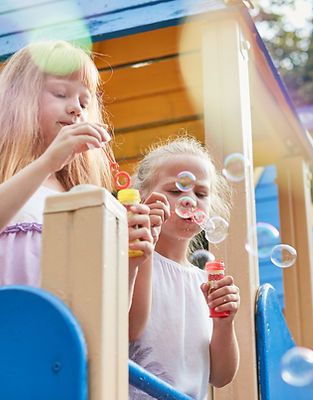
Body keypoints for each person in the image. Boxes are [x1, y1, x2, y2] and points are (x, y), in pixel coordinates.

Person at [0, 40, 165, 338]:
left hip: (59, 361)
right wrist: (47, 162)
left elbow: (119, 326)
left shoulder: (77, 198)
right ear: (17, 98)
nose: (76, 108)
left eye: (85, 102)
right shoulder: (7, 174)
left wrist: (132, 262)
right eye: (61, 93)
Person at [129, 136, 240, 399]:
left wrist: (225, 323)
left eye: (200, 193)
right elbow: (129, 328)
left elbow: (221, 376)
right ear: (143, 196)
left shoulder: (205, 281)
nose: (189, 200)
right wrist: (144, 240)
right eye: (176, 191)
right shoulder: (131, 264)